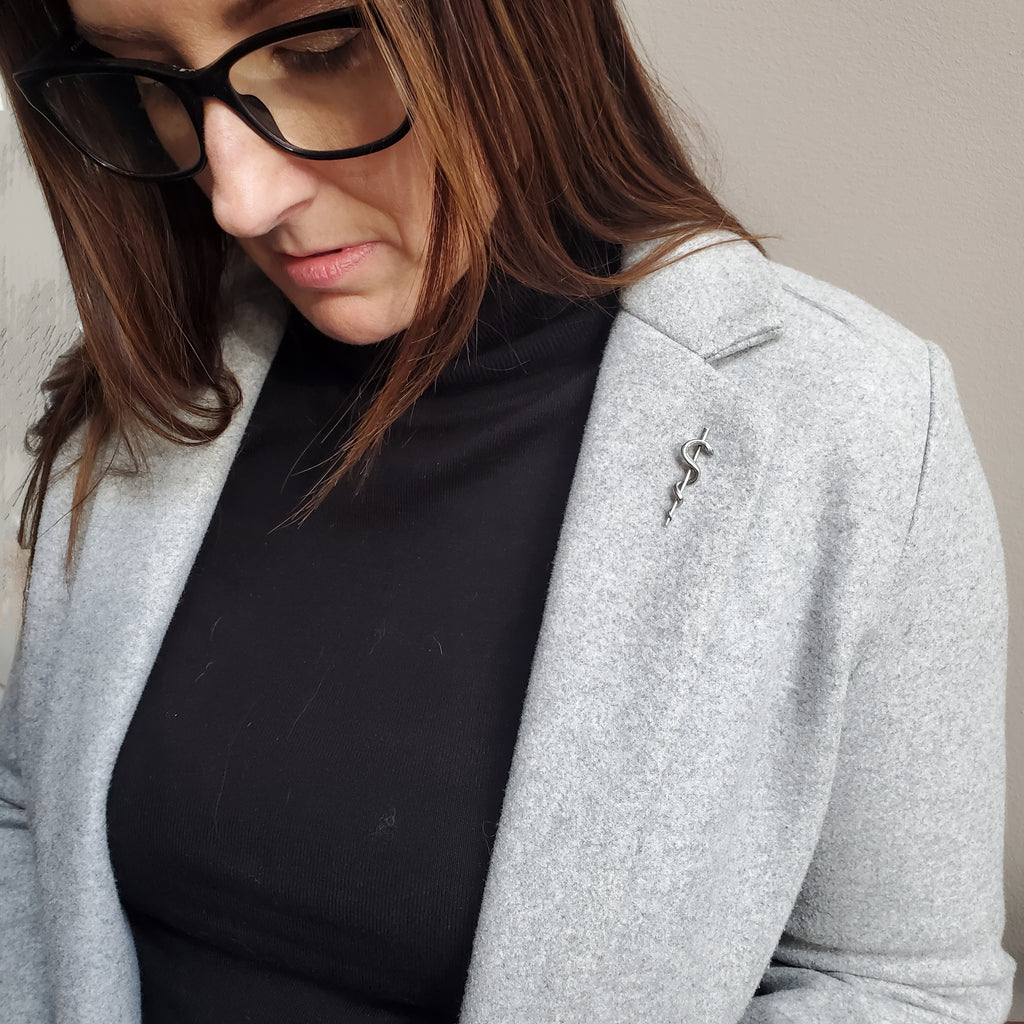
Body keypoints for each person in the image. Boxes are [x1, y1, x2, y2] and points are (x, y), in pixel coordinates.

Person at [0, 0, 1014, 1021]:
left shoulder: (850, 426)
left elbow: (904, 990)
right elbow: (27, 816)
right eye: (145, 76)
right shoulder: (164, 374)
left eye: (317, 52)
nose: (239, 200)